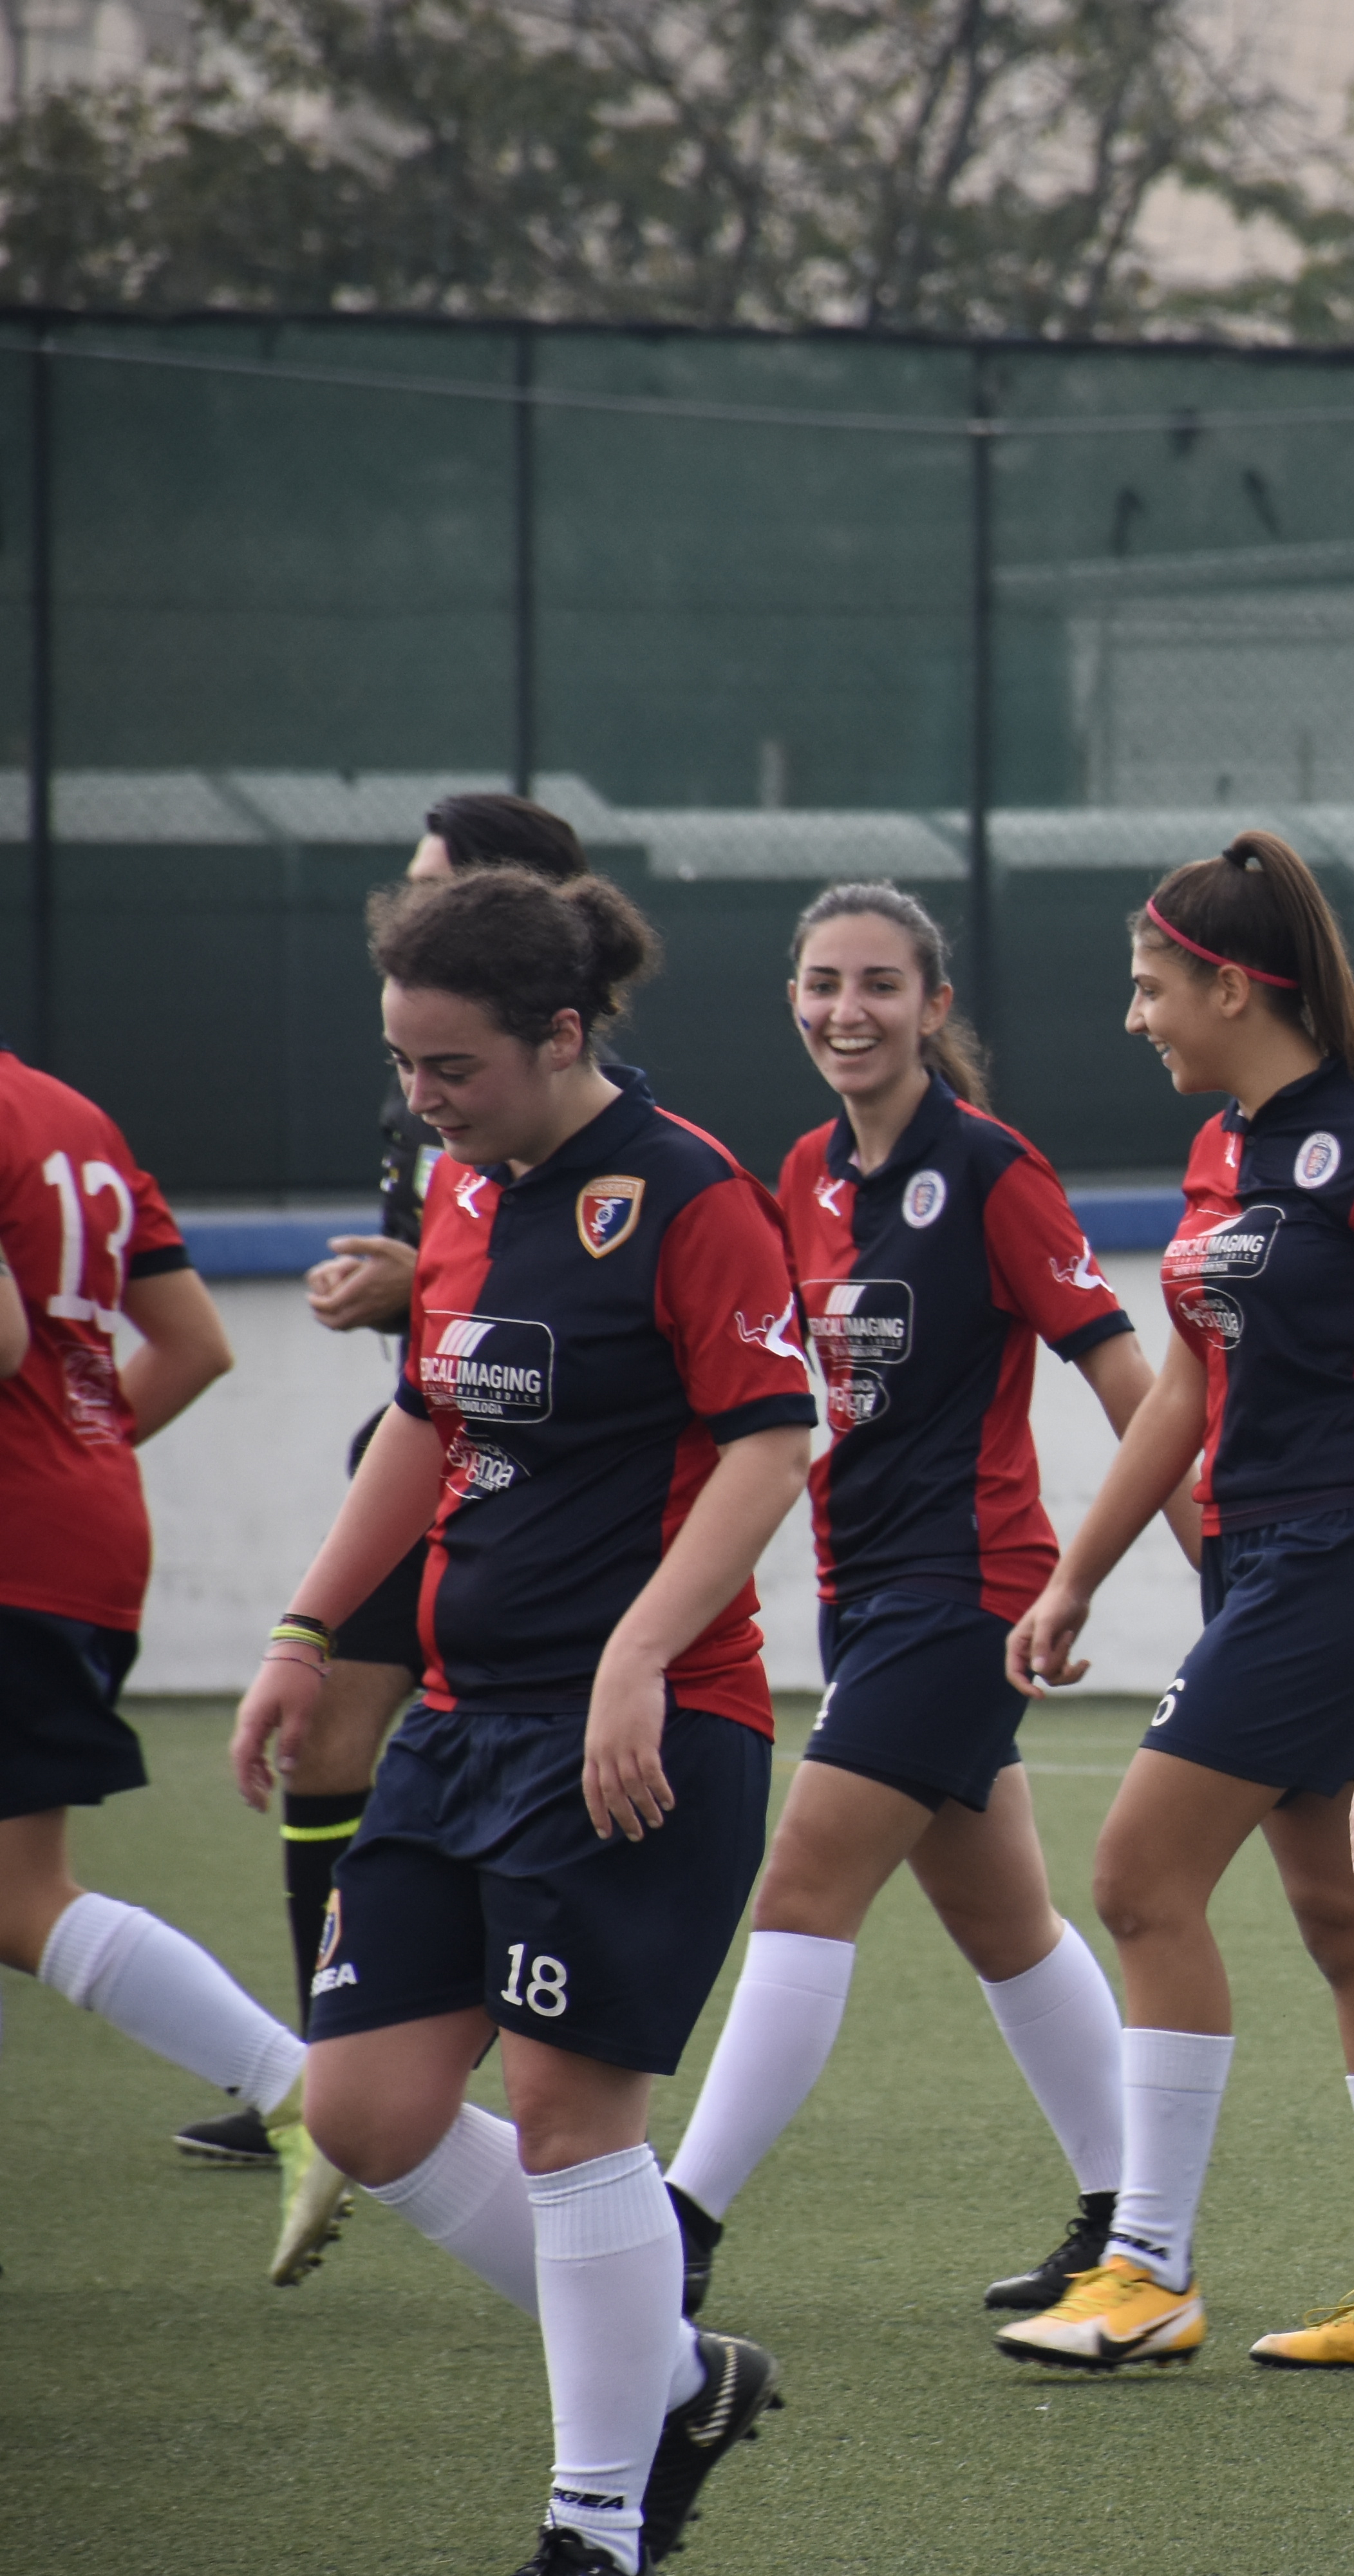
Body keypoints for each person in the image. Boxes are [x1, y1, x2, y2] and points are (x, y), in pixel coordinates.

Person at [229, 865, 814, 2576]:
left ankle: (595, 2521)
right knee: (365, 2113)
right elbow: (424, 1418)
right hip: (463, 1722)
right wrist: (303, 1626)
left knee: (573, 2121)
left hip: (637, 1734)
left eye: (453, 1069)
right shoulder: (473, 1196)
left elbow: (773, 1443)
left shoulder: (689, 1195)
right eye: (405, 1067)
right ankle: (677, 2377)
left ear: (562, 1038)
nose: (426, 1102)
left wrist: (639, 1654)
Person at [999, 833, 1354, 2377]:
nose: (1135, 1016)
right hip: (1256, 1555)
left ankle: (1148, 2267)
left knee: (1136, 1870)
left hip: (1345, 1556)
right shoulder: (1225, 1147)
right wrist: (1080, 1567)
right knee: (1348, 1917)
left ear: (1235, 985)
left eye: (1151, 986)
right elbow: (1188, 1375)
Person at [658, 882, 1169, 2321]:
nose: (846, 1010)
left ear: (934, 1008)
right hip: (863, 1590)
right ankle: (1135, 2220)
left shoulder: (997, 1171)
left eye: (879, 984)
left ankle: (678, 2222)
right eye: (822, 983)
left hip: (971, 1587)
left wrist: (1213, 1574)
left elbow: (1141, 1394)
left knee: (804, 1881)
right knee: (1003, 1919)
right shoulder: (803, 1172)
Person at [182, 794, 590, 2174]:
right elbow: (452, 1322)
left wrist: (418, 1294)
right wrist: (398, 1294)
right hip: (422, 1454)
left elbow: (573, 1318)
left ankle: (482, 2066)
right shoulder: (422, 1094)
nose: (402, 907)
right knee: (325, 1746)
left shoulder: (622, 1154)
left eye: (434, 887)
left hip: (532, 1510)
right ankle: (326, 2063)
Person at [0, 1039, 321, 2269]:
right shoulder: (74, 1110)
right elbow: (194, 1343)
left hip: (19, 1548)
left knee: (22, 1896)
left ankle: (292, 2082)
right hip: (79, 1535)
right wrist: (69, 1463)